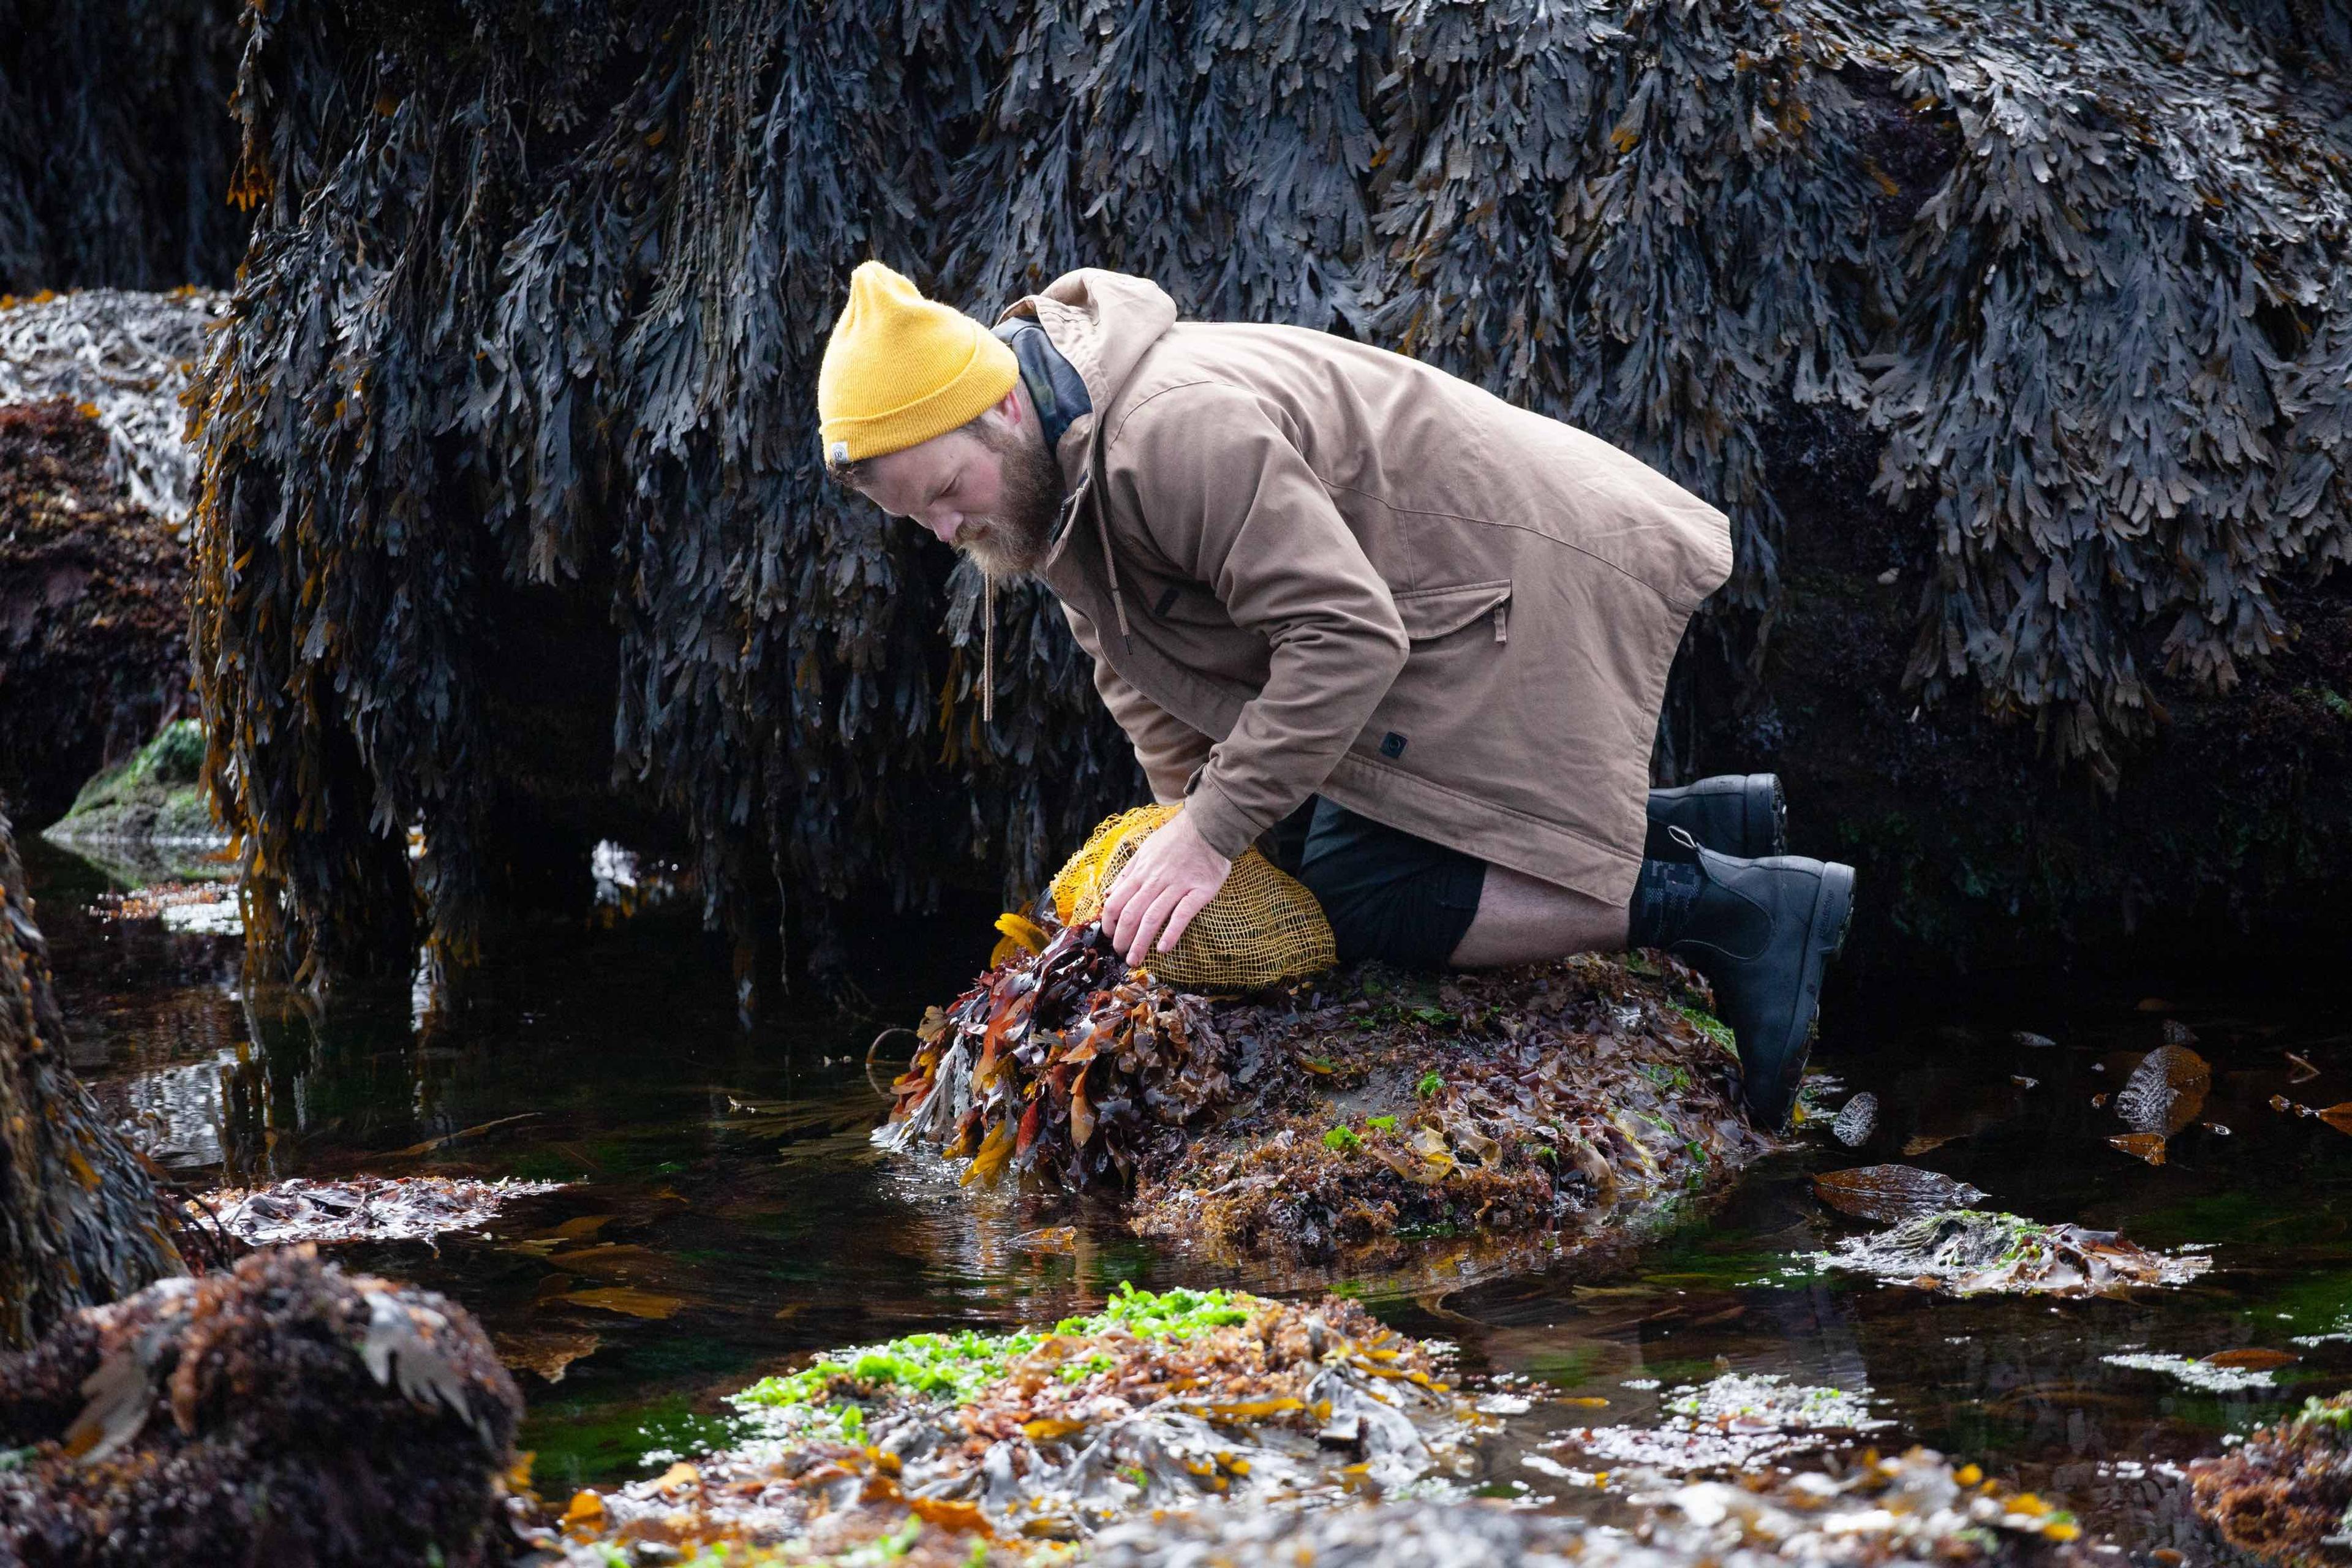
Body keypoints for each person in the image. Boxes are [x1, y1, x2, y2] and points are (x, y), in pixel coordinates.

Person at [815, 260, 1855, 1126]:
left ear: (999, 406)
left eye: (951, 492)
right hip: (1429, 593)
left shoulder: (1165, 436)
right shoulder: (1052, 471)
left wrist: (1213, 834)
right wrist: (1212, 844)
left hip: (1514, 575)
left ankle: (1738, 910)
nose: (953, 533)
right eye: (925, 522)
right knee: (1308, 853)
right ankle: (1717, 820)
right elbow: (1137, 672)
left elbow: (1348, 637)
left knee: (1371, 892)